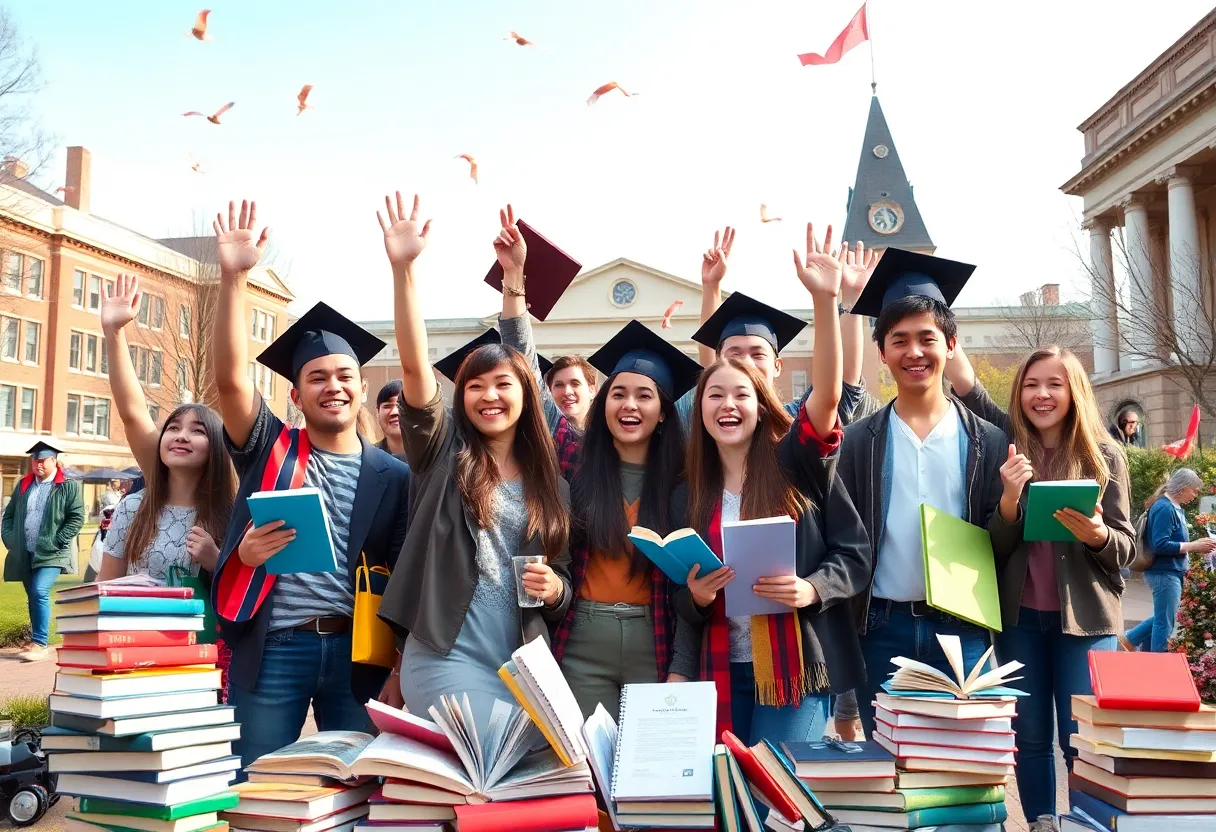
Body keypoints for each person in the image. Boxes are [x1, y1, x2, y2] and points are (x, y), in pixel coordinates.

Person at [207, 200, 412, 771]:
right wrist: (234, 278)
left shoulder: (392, 475)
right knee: (259, 781)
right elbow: (229, 378)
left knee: (357, 791)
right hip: (277, 645)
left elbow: (400, 575)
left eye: (345, 376)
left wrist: (397, 667)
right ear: (295, 395)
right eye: (316, 378)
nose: (333, 386)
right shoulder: (270, 446)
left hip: (358, 652)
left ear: (360, 388)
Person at [374, 192, 572, 728]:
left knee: (532, 765)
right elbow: (415, 370)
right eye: (475, 386)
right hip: (445, 652)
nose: (489, 396)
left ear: (527, 395)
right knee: (489, 746)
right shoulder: (443, 454)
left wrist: (556, 589)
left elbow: (566, 575)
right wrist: (404, 270)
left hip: (521, 662)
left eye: (503, 384)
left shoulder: (550, 483)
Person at [673, 223, 870, 744]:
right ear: (700, 408)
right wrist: (692, 596)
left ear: (763, 404)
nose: (727, 405)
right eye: (714, 396)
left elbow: (852, 555)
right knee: (732, 803)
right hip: (718, 666)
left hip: (793, 667)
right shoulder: (689, 493)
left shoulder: (797, 465)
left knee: (774, 793)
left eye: (741, 395)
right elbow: (675, 596)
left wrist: (826, 302)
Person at [947, 344, 1136, 827]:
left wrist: (1097, 535)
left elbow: (1126, 549)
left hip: (1087, 623)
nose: (1042, 394)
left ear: (1074, 391)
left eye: (1054, 384)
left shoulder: (1105, 454)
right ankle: (1040, 821)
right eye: (1031, 384)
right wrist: (1010, 500)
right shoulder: (1007, 448)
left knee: (1083, 739)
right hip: (1020, 622)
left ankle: (1084, 821)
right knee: (1028, 737)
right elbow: (997, 543)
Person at [838, 249, 1018, 739]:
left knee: (966, 766)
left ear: (951, 344)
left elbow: (1000, 541)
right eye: (899, 341)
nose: (914, 352)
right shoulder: (857, 442)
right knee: (892, 769)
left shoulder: (989, 441)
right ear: (882, 353)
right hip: (881, 627)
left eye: (927, 338)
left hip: (962, 625)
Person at [98, 274, 235, 586]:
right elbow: (105, 591)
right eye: (172, 428)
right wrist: (114, 333)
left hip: (204, 635)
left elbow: (249, 598)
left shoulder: (231, 514)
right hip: (135, 633)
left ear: (215, 446)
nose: (181, 435)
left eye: (197, 431)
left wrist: (216, 561)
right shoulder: (134, 508)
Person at [680, 228, 876, 433]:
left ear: (777, 366)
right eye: (735, 353)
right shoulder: (713, 423)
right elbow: (710, 368)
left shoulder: (794, 425)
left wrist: (849, 298)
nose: (746, 362)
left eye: (757, 354)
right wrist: (711, 286)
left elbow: (838, 387)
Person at [2, 441, 86, 662]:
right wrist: (10, 539)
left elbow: (76, 517)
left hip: (52, 552)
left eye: (42, 461)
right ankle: (35, 641)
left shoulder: (67, 486)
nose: (38, 465)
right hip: (25, 551)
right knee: (33, 596)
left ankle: (40, 643)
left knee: (39, 591)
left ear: (54, 461)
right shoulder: (24, 485)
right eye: (35, 460)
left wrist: (58, 540)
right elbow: (8, 516)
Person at [1125, 468, 1215, 653]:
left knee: (1164, 617)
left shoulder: (1172, 507)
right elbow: (1160, 544)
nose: (1195, 495)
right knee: (1164, 622)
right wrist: (1194, 546)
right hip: (1163, 572)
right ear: (1182, 488)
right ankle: (1157, 659)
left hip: (1169, 571)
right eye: (1194, 490)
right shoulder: (1165, 508)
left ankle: (1131, 641)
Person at [544, 355, 598, 431]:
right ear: (550, 391)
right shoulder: (539, 437)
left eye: (575, 384)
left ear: (592, 390)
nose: (567, 392)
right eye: (559, 385)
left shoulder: (608, 436)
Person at [375, 379, 405, 457]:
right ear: (377, 413)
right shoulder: (368, 458)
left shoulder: (433, 458)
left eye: (401, 405)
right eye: (387, 406)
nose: (394, 412)